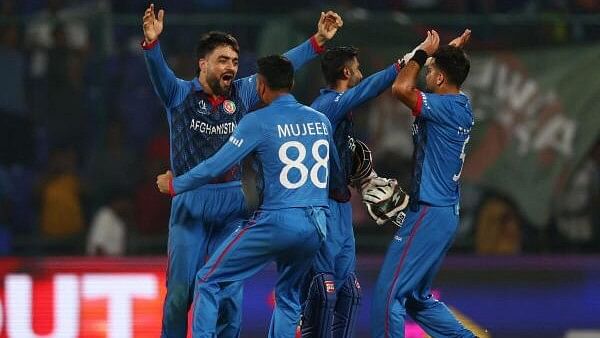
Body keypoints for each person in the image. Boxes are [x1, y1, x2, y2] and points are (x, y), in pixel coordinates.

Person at [141, 4, 342, 337]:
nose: (231, 67)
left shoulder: (245, 92)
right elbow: (158, 71)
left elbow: (282, 67)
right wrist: (151, 45)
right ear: (202, 64)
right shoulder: (177, 94)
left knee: (229, 297)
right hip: (191, 205)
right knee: (180, 294)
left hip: (233, 204)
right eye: (223, 60)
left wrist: (318, 40)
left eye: (234, 61)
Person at [369, 29, 476, 338]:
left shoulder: (441, 107)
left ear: (441, 79)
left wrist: (419, 55)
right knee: (417, 299)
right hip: (442, 213)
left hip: (429, 212)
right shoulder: (459, 104)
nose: (426, 73)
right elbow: (448, 73)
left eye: (431, 71)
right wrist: (449, 52)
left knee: (388, 295)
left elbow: (401, 88)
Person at [300, 46, 410, 338]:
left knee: (349, 292)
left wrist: (367, 178)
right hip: (319, 207)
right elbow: (371, 89)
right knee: (322, 292)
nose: (361, 73)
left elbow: (343, 161)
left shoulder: (343, 112)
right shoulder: (328, 105)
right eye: (358, 68)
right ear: (346, 72)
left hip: (341, 206)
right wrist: (411, 59)